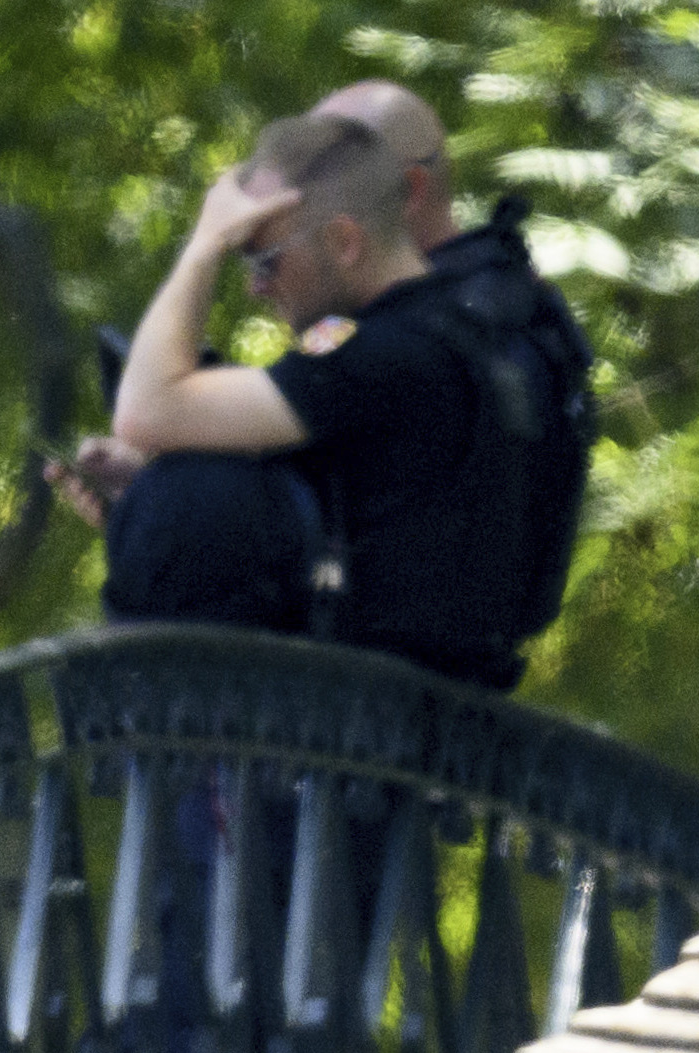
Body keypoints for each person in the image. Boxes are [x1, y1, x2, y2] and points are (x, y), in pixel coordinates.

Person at [73, 104, 589, 693]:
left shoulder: (386, 351)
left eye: (265, 258)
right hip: (423, 727)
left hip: (367, 742)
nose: (254, 285)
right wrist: (149, 488)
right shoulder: (441, 332)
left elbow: (144, 412)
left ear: (344, 241)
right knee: (184, 493)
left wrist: (204, 245)